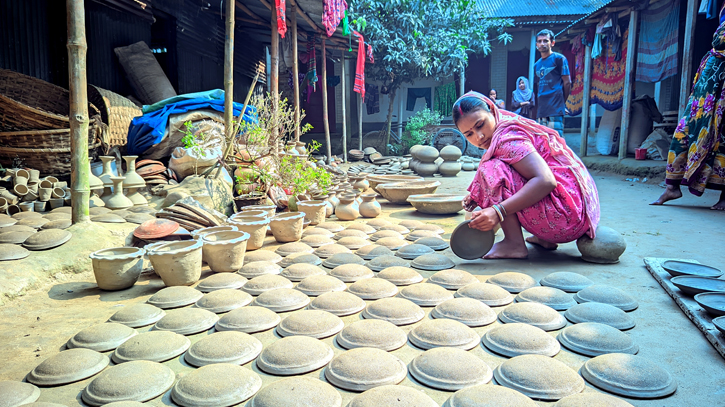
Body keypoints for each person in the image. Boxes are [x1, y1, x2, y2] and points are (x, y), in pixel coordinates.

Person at [454, 91, 600, 259]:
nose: (479, 137)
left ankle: (513, 244)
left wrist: (497, 211)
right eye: (469, 134)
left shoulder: (506, 139)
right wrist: (477, 193)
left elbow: (546, 181)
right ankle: (544, 238)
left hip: (565, 217)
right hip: (577, 214)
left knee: (491, 170)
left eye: (480, 125)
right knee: (496, 171)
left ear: (493, 111)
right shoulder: (505, 125)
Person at [652, 14, 725, 210]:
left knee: (721, 138)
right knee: (684, 131)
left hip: (720, 91)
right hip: (705, 90)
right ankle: (672, 187)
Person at [533, 29, 571, 138]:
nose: (542, 44)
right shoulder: (536, 65)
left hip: (555, 108)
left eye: (545, 41)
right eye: (539, 41)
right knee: (542, 142)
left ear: (552, 43)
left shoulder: (559, 59)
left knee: (555, 142)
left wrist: (562, 103)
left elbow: (567, 83)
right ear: (536, 44)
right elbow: (537, 87)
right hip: (542, 110)